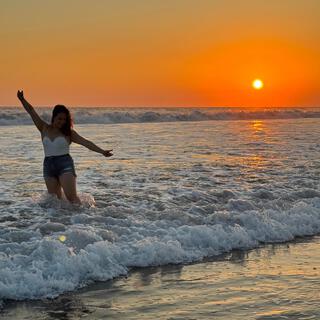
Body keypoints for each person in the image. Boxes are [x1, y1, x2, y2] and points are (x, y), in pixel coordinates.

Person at [17, 90, 113, 204]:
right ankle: (62, 222)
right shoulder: (43, 128)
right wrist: (22, 100)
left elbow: (86, 143)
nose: (62, 122)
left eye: (64, 119)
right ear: (53, 117)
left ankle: (84, 219)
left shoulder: (69, 133)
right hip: (48, 166)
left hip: (65, 164)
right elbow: (31, 111)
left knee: (72, 199)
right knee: (55, 202)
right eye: (59, 119)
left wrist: (102, 151)